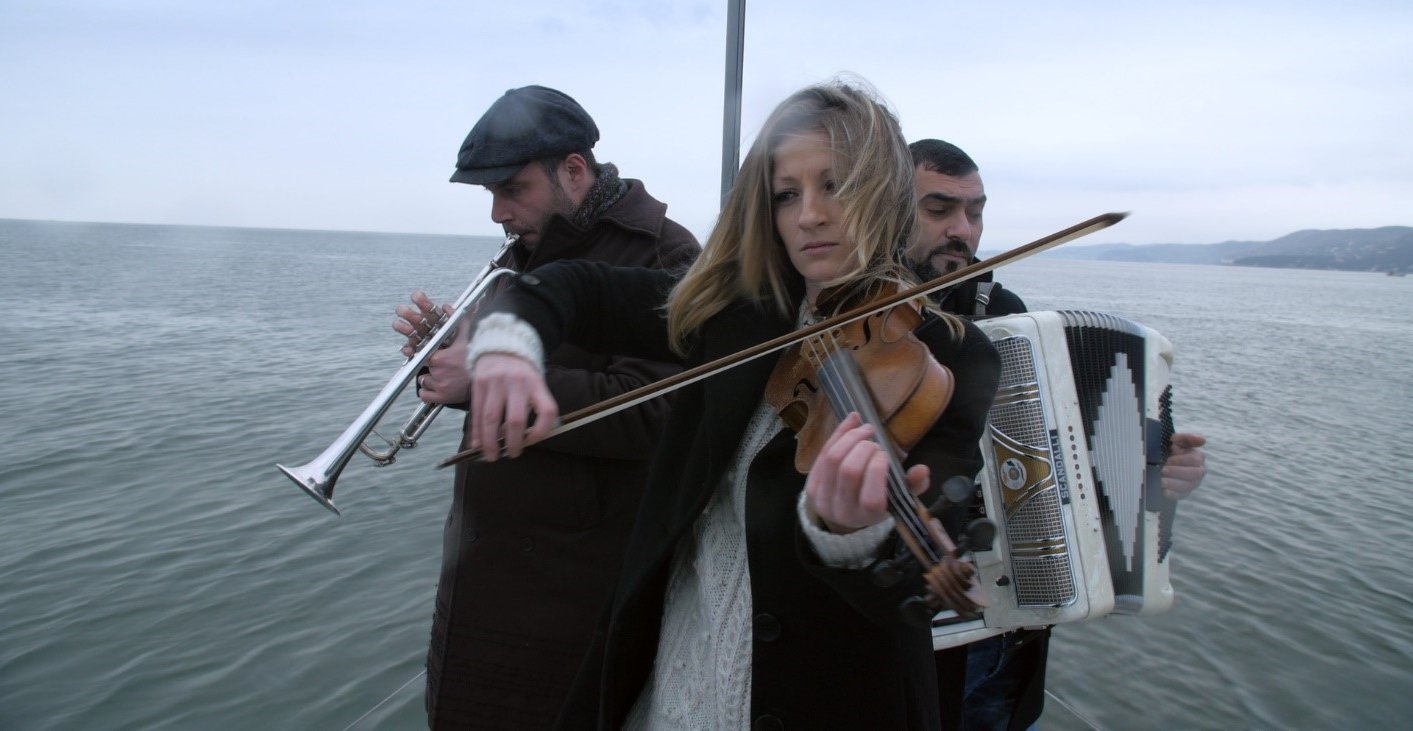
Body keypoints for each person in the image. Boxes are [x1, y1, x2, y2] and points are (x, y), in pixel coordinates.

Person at [458, 80, 1002, 729]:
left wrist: (853, 534)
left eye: (837, 186)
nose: (809, 215)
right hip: (671, 677)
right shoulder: (735, 315)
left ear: (884, 193)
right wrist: (507, 345)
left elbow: (902, 587)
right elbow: (575, 286)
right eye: (786, 194)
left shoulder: (950, 356)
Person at [393, 85, 700, 729]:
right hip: (478, 584)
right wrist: (447, 361)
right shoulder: (515, 263)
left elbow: (657, 416)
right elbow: (501, 398)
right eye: (491, 195)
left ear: (574, 171)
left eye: (512, 189)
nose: (498, 212)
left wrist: (481, 381)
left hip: (574, 596)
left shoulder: (667, 254)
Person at [908, 138, 1209, 730]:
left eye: (975, 212)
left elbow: (1060, 448)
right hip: (910, 616)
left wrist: (1154, 468)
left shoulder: (1007, 313)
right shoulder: (856, 317)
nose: (963, 231)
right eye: (939, 210)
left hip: (1010, 615)